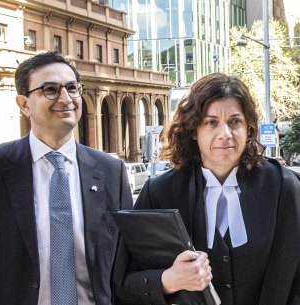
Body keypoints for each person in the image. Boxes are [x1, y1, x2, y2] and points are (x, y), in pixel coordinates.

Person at [0, 51, 133, 305]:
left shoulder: (111, 171)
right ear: (24, 104)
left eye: (72, 88)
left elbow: (126, 263)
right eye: (50, 89)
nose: (65, 98)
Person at [114, 73, 300, 305]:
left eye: (235, 122)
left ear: (249, 129)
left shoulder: (282, 186)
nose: (225, 134)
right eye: (211, 122)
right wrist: (168, 280)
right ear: (194, 130)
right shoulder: (159, 192)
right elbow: (123, 284)